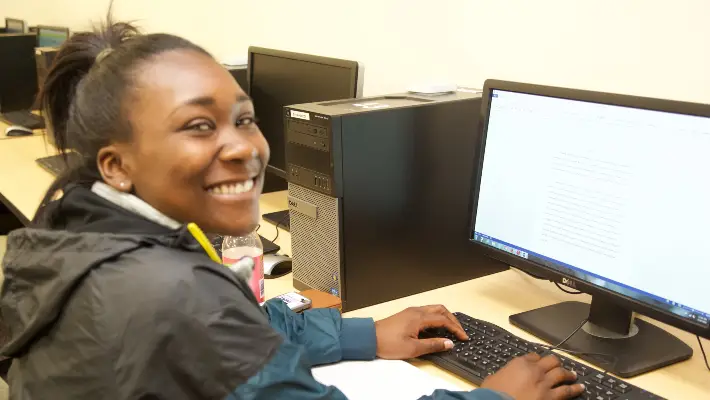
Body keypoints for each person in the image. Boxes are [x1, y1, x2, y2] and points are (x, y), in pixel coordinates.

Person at [0, 18, 585, 400]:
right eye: (198, 126)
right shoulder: (169, 297)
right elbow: (213, 331)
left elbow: (238, 332)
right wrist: (496, 398)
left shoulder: (79, 225)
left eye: (245, 118)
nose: (245, 148)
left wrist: (361, 335)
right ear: (116, 164)